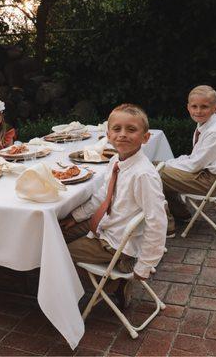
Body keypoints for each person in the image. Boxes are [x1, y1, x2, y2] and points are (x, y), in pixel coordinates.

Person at [59, 104, 168, 309]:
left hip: (117, 245)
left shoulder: (143, 174)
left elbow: (157, 221)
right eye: (117, 129)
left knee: (56, 252)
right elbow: (103, 196)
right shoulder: (117, 161)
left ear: (145, 138)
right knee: (57, 231)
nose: (123, 135)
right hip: (107, 224)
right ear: (107, 135)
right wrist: (76, 216)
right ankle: (108, 282)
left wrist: (145, 265)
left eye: (131, 130)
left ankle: (114, 282)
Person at [161, 85, 216, 238]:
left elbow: (195, 164)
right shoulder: (205, 125)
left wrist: (166, 165)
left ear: (215, 108)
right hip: (206, 173)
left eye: (204, 107)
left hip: (210, 181)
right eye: (194, 106)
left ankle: (167, 225)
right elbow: (195, 158)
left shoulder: (215, 132)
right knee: (156, 167)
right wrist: (167, 163)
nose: (198, 111)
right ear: (188, 107)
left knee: (153, 174)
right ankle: (181, 213)